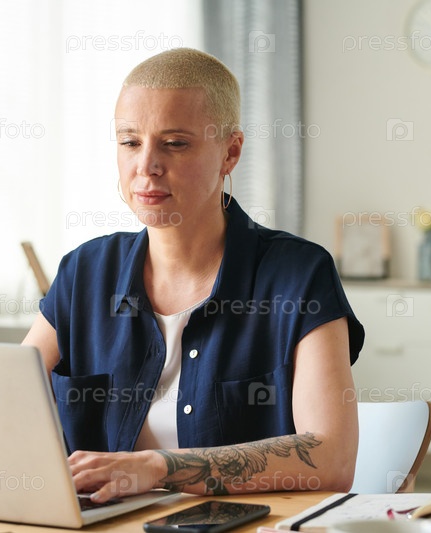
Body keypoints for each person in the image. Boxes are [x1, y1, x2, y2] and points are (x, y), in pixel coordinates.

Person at [23, 48, 364, 503]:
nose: (146, 166)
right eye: (130, 142)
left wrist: (159, 467)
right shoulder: (84, 271)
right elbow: (7, 401)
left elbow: (332, 458)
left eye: (175, 143)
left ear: (230, 152)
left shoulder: (298, 275)